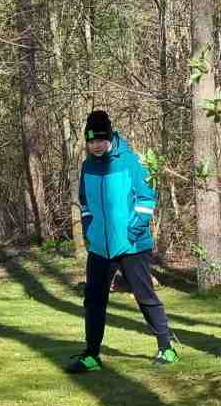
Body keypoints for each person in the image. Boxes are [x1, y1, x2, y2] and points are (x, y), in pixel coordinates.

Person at [67, 110, 177, 373]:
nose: (96, 146)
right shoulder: (87, 166)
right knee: (93, 301)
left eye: (100, 140)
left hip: (132, 246)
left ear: (110, 137)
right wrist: (90, 230)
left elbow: (147, 198)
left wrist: (133, 231)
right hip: (100, 248)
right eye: (91, 141)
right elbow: (85, 203)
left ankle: (167, 347)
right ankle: (92, 355)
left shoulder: (130, 161)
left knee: (144, 296)